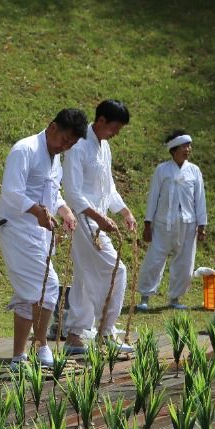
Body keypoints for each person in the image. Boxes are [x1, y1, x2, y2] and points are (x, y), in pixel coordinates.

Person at [0, 108, 85, 369]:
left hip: (40, 231)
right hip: (18, 228)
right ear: (52, 127)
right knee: (48, 285)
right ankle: (41, 344)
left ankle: (17, 356)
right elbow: (12, 192)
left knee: (29, 293)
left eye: (71, 144)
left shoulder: (55, 157)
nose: (64, 146)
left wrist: (64, 210)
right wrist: (36, 211)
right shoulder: (24, 150)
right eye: (64, 139)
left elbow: (52, 192)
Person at [62, 99, 136, 355]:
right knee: (118, 270)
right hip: (84, 218)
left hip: (99, 217)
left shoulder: (104, 147)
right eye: (114, 128)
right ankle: (106, 330)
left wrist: (124, 210)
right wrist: (98, 217)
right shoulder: (78, 146)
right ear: (101, 120)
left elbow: (109, 187)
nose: (115, 134)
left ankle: (75, 334)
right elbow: (72, 191)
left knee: (83, 274)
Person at [136, 130, 207, 310]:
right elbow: (153, 197)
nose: (188, 149)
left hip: (188, 224)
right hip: (162, 224)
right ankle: (145, 297)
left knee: (185, 263)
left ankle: (175, 299)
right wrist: (147, 223)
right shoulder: (162, 170)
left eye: (189, 146)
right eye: (185, 146)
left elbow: (200, 199)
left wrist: (202, 225)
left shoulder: (194, 171)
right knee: (154, 260)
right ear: (174, 149)